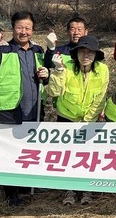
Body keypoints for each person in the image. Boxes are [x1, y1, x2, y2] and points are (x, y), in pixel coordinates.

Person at [0, 10, 48, 206]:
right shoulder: (3, 50)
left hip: (34, 107)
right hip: (11, 108)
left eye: (28, 28)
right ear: (13, 29)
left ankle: (28, 183)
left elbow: (44, 76)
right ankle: (11, 191)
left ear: (33, 29)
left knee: (30, 148)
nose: (24, 31)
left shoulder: (38, 51)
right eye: (20, 27)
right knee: (11, 150)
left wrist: (47, 75)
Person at [47, 34, 110, 205]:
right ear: (76, 53)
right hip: (66, 118)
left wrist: (88, 121)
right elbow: (53, 92)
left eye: (90, 52)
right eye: (82, 52)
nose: (86, 56)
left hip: (89, 121)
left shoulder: (103, 70)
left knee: (88, 156)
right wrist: (58, 71)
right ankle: (69, 189)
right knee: (67, 155)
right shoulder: (65, 66)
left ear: (96, 54)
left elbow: (101, 98)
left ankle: (87, 189)